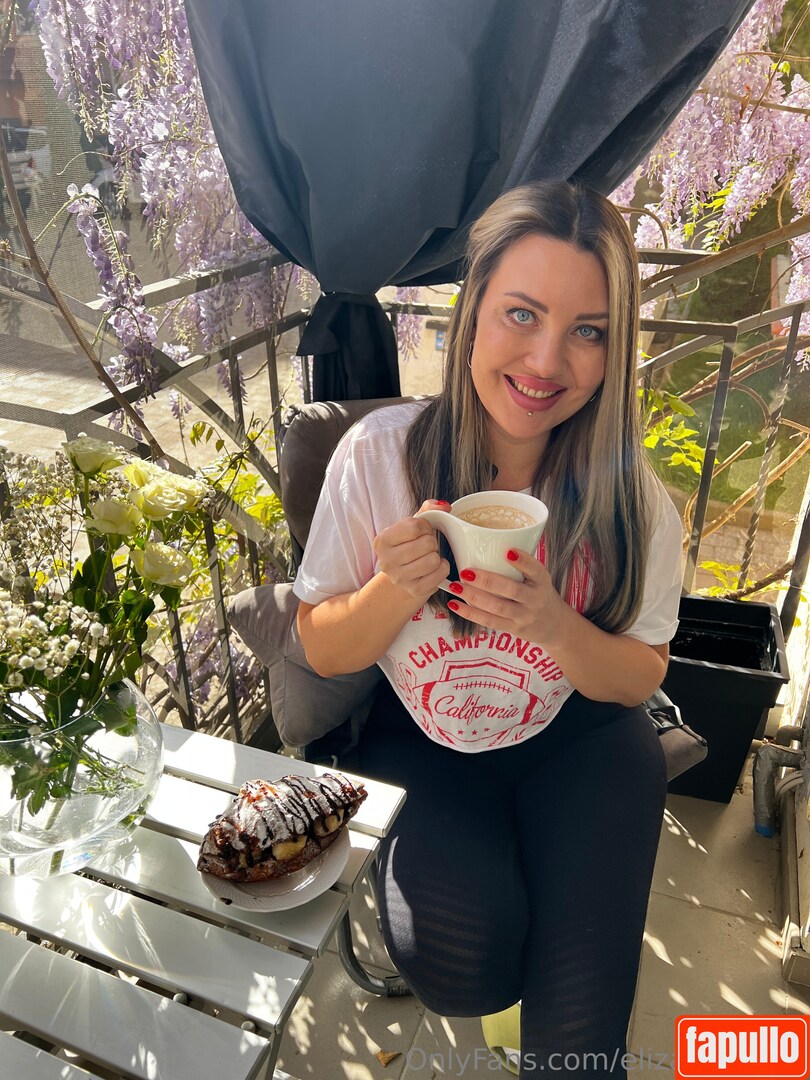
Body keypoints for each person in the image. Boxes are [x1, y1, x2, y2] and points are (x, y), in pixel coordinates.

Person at [294, 180, 683, 1078]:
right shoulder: (380, 459)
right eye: (521, 313)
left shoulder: (631, 500)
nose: (547, 360)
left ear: (615, 350)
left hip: (582, 738)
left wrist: (555, 625)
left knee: (576, 1047)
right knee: (466, 965)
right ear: (471, 313)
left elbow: (640, 676)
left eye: (589, 331)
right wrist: (392, 592)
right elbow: (320, 642)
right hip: (424, 737)